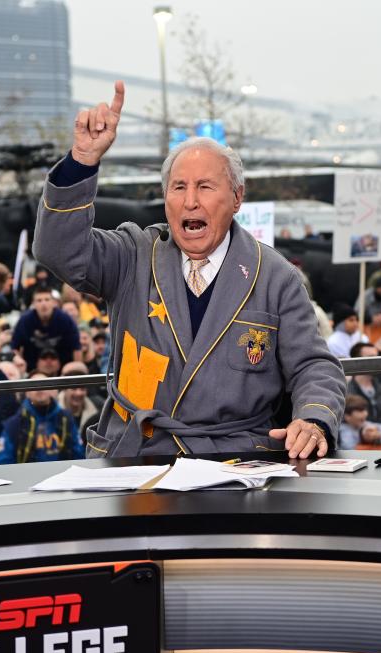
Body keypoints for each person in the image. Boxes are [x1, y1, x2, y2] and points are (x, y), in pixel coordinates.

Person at [33, 81, 345, 459]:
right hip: (140, 457)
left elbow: (313, 365)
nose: (191, 201)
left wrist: (313, 419)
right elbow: (57, 250)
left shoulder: (276, 276)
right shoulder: (133, 255)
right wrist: (81, 161)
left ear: (237, 197)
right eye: (178, 187)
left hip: (236, 459)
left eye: (205, 186)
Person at [0, 371, 84, 463]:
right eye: (34, 385)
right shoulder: (14, 424)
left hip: (64, 474)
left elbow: (79, 454)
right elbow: (3, 460)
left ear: (52, 389)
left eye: (44, 384)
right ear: (27, 393)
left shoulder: (66, 419)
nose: (39, 388)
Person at [11, 284, 82, 369]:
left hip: (63, 370)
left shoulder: (65, 320)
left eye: (47, 299)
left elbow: (76, 347)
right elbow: (15, 347)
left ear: (54, 302)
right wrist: (18, 362)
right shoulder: (25, 321)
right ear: (33, 304)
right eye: (39, 300)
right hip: (32, 370)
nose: (43, 304)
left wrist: (76, 371)